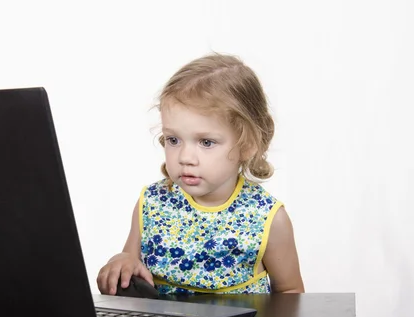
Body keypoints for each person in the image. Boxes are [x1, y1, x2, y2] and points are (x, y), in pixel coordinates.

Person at [97, 53, 305, 295]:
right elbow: (130, 268)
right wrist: (120, 262)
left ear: (247, 144)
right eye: (173, 140)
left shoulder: (267, 218)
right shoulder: (151, 203)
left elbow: (290, 294)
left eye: (206, 142)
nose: (185, 157)